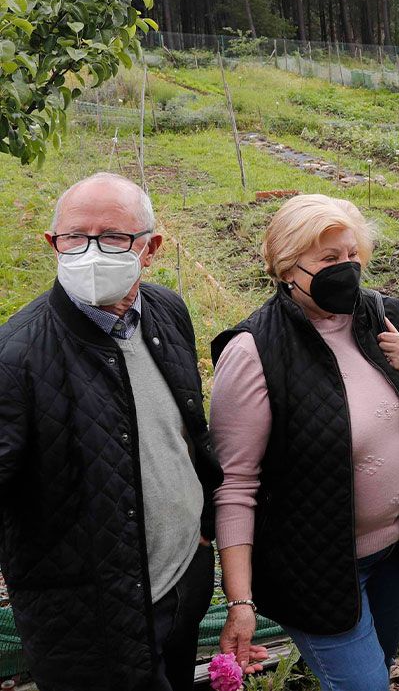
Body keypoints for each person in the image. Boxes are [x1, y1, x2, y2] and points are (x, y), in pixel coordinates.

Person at [210, 193, 399, 691]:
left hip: (389, 553)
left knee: (379, 662)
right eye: (328, 259)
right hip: (313, 568)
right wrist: (240, 602)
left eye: (352, 255)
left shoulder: (379, 316)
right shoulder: (254, 351)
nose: (346, 269)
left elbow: (392, 412)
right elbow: (235, 485)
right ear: (286, 268)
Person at [0, 172, 223, 690]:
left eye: (114, 237)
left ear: (150, 250)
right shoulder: (16, 357)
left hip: (183, 579)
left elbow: (187, 424)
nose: (91, 252)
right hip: (91, 622)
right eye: (75, 237)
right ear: (53, 245)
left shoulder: (166, 311)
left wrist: (205, 513)